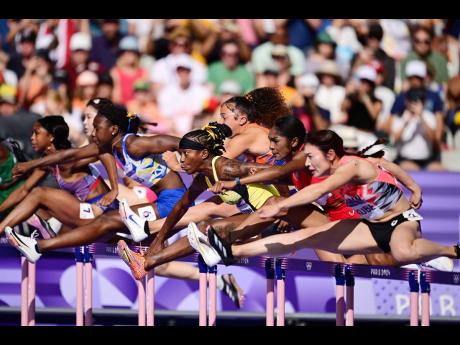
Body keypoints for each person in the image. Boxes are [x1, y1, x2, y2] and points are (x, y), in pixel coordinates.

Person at [6, 104, 245, 307]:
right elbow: (64, 157)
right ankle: (221, 281)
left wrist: (195, 157)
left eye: (97, 127)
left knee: (109, 222)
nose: (93, 132)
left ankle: (40, 245)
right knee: (141, 252)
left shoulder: (134, 145)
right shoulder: (108, 148)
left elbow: (177, 142)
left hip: (171, 199)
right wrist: (27, 167)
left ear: (113, 129)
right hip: (158, 201)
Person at [206, 129, 460, 268]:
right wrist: (414, 187)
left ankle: (449, 251)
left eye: (310, 157)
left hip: (400, 222)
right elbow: (383, 164)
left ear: (329, 154)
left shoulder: (350, 167)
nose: (306, 163)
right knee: (303, 237)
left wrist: (414, 187)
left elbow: (317, 191)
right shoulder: (330, 168)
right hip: (371, 228)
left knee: (402, 252)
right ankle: (230, 251)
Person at [116, 122, 281, 279]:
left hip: (272, 218)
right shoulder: (204, 178)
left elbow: (280, 172)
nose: (181, 160)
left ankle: (148, 263)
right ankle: (146, 262)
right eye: (180, 153)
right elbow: (181, 206)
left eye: (186, 153)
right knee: (198, 230)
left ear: (203, 154)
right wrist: (159, 239)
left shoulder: (227, 169)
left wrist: (285, 204)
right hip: (253, 219)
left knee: (205, 229)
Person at [1, 115, 119, 239]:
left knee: (39, 193)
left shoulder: (68, 159)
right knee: (31, 203)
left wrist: (114, 189)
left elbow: (105, 153)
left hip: (101, 211)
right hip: (82, 212)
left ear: (51, 137)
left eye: (36, 133)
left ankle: (49, 228)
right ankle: (49, 228)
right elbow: (23, 189)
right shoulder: (46, 162)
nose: (32, 138)